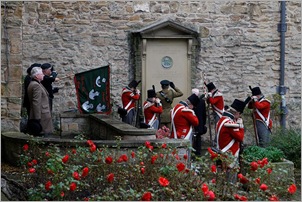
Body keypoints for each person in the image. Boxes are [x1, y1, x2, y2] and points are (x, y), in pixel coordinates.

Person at [216, 99, 246, 168]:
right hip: (229, 153)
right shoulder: (230, 124)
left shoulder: (222, 119)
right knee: (231, 176)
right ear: (237, 113)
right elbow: (240, 137)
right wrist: (240, 125)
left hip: (222, 151)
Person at [27, 66, 53, 136]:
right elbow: (36, 102)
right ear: (37, 76)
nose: (43, 75)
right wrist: (37, 118)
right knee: (44, 135)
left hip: (43, 113)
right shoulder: (36, 85)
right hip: (42, 115)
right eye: (41, 73)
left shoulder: (36, 83)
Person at [191, 88, 207, 157]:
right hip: (199, 121)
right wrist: (204, 122)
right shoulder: (202, 101)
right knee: (198, 137)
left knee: (195, 137)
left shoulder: (192, 101)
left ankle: (194, 151)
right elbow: (204, 113)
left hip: (194, 120)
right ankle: (198, 151)